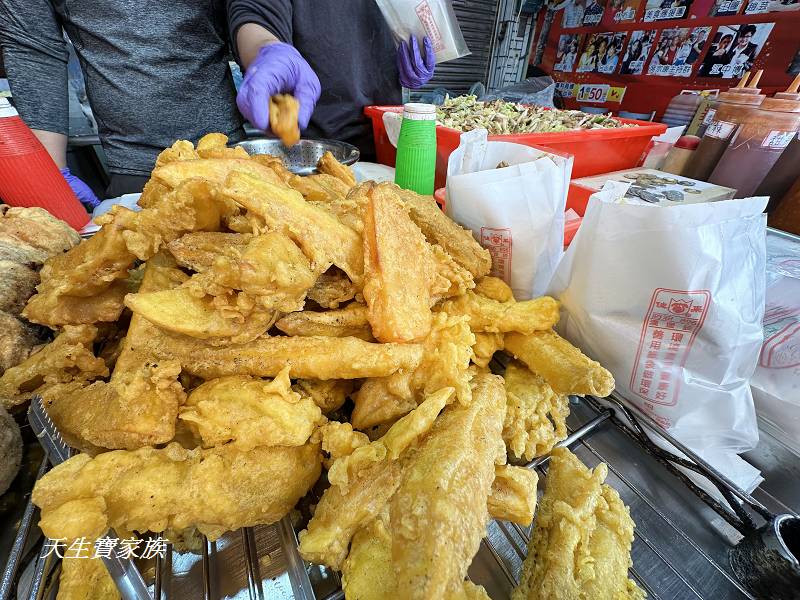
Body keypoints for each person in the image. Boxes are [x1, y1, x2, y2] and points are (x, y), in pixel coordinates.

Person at [0, 1, 434, 200]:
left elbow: (250, 14)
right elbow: (32, 47)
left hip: (233, 157)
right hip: (134, 167)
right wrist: (47, 174)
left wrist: (269, 57)